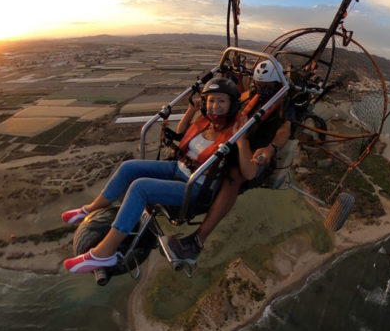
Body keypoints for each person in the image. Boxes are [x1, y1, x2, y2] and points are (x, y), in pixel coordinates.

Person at [62, 78, 257, 275]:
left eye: (221, 101)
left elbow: (249, 173)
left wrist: (241, 142)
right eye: (211, 100)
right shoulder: (205, 121)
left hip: (193, 187)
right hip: (177, 169)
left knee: (140, 187)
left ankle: (104, 252)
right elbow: (182, 134)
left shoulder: (235, 132)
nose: (215, 106)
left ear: (231, 104)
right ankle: (92, 209)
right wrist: (191, 111)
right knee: (128, 167)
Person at [166, 59, 294, 265]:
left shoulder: (284, 106)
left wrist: (271, 149)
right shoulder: (251, 96)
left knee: (234, 175)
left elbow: (284, 130)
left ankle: (198, 240)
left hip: (256, 152)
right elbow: (238, 99)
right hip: (234, 141)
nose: (262, 91)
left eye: (267, 87)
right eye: (259, 86)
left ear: (277, 85)